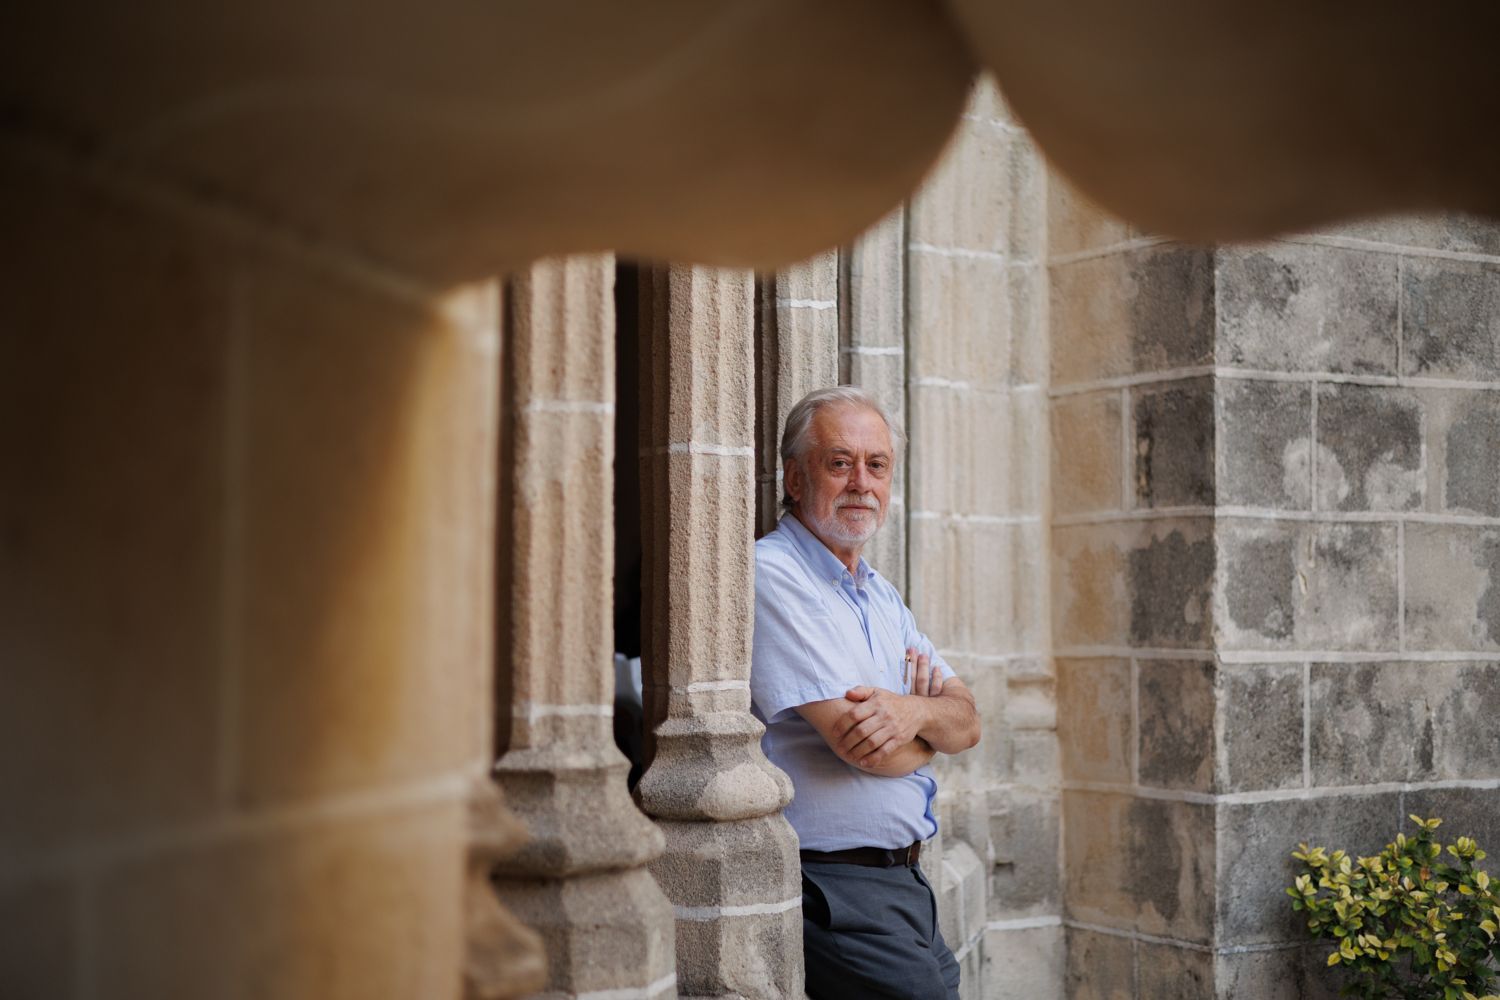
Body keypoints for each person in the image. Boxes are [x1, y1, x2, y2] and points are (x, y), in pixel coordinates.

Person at [749, 385, 981, 1000]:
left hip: (906, 886)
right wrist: (928, 735)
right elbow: (868, 751)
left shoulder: (880, 594)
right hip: (837, 891)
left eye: (876, 465)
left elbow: (969, 721)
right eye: (839, 462)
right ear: (795, 479)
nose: (861, 481)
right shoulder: (774, 574)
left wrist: (910, 712)